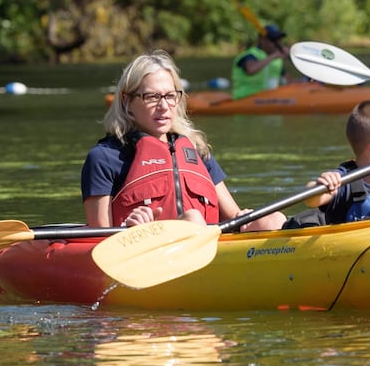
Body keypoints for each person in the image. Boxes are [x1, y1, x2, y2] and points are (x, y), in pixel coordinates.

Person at [82, 51, 286, 231]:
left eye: (170, 96)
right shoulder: (104, 158)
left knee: (274, 219)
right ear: (127, 102)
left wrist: (250, 219)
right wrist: (134, 230)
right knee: (193, 218)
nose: (163, 106)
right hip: (145, 251)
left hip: (211, 247)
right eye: (152, 97)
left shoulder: (195, 150)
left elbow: (234, 217)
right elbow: (99, 238)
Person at [231, 23, 290, 99]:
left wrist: (307, 80)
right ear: (262, 40)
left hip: (269, 101)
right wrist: (274, 56)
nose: (277, 43)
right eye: (273, 40)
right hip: (245, 100)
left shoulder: (277, 61)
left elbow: (290, 82)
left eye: (279, 39)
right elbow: (251, 70)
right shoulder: (249, 55)